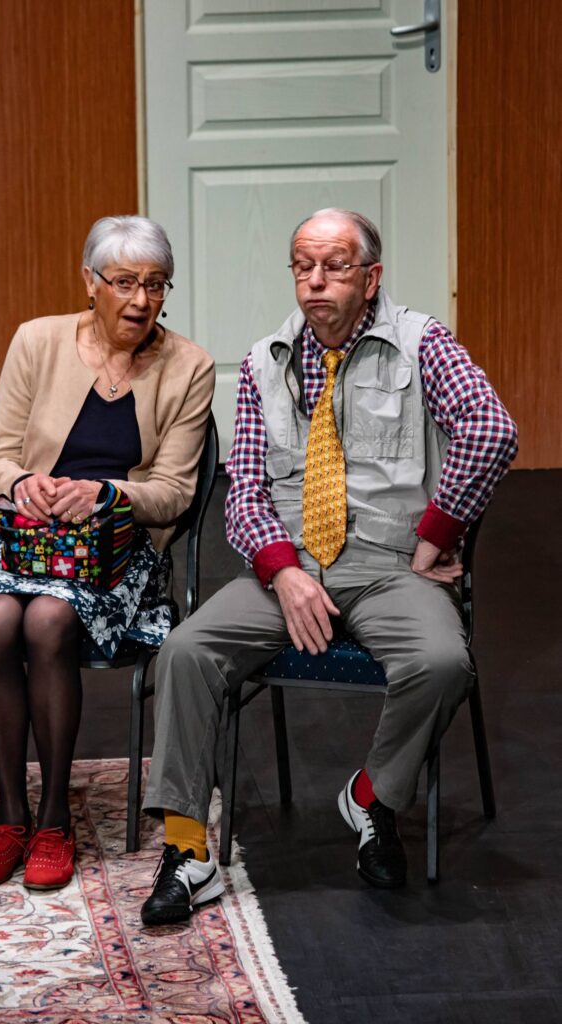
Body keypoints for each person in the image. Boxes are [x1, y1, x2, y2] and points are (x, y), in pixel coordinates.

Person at [139, 207, 518, 925]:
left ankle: (371, 797)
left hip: (389, 565)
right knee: (185, 650)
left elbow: (491, 429)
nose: (315, 282)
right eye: (303, 266)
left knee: (442, 663)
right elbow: (245, 491)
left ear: (369, 278)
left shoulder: (421, 343)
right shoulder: (264, 361)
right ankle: (188, 852)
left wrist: (436, 534)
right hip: (288, 569)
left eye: (334, 267)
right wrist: (282, 571)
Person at [0, 215, 214, 892]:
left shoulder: (189, 366)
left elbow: (175, 492)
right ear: (89, 282)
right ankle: (10, 818)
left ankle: (53, 820)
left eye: (155, 284)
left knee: (47, 619)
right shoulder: (36, 341)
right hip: (30, 537)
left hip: (119, 550)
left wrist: (106, 493)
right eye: (123, 282)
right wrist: (22, 483)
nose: (140, 300)